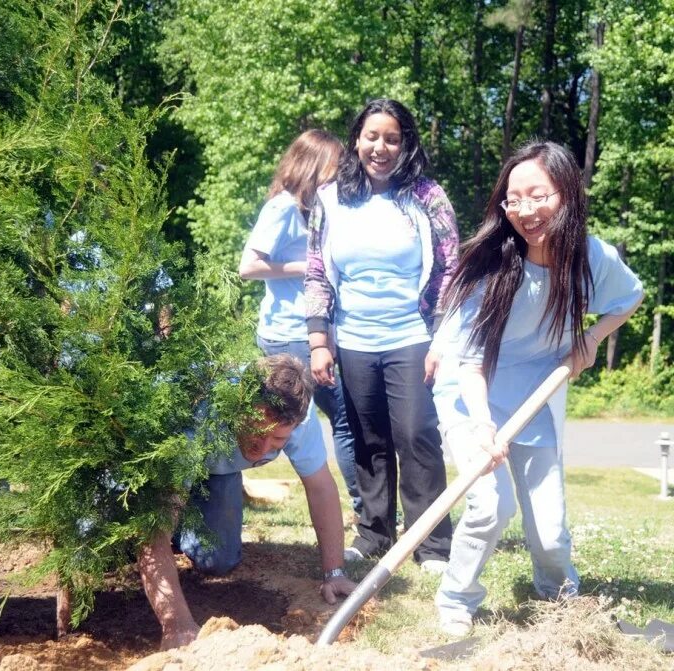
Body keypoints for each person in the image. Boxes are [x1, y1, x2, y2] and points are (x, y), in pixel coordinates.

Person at [430, 140, 644, 637]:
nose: (525, 211)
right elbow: (470, 364)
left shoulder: (590, 257)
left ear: (567, 193)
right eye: (514, 199)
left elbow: (631, 296)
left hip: (538, 396)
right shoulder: (491, 267)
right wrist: (483, 425)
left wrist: (589, 340)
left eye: (538, 196)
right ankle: (457, 598)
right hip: (470, 395)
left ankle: (559, 594)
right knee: (490, 503)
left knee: (549, 529)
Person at [304, 99, 458, 571]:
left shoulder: (427, 195)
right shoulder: (330, 198)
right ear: (357, 139)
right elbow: (315, 271)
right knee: (368, 440)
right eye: (372, 136)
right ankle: (374, 533)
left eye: (392, 138)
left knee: (416, 435)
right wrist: (318, 341)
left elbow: (452, 266)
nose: (381, 147)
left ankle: (431, 544)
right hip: (352, 340)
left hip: (413, 336)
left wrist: (442, 337)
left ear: (405, 143)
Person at [137, 354, 356, 650]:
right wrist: (176, 623)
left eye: (277, 441)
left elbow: (321, 488)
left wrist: (335, 572)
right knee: (118, 537)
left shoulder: (301, 419)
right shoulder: (201, 412)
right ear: (240, 408)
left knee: (219, 561)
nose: (263, 449)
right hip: (163, 459)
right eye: (257, 431)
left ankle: (188, 523)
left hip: (218, 471)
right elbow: (153, 530)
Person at [238, 129, 361, 520]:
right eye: (331, 167)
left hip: (315, 330)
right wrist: (309, 265)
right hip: (290, 334)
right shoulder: (283, 208)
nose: (337, 175)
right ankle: (365, 511)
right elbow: (248, 266)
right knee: (341, 416)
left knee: (341, 418)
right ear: (309, 165)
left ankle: (367, 510)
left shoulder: (318, 211)